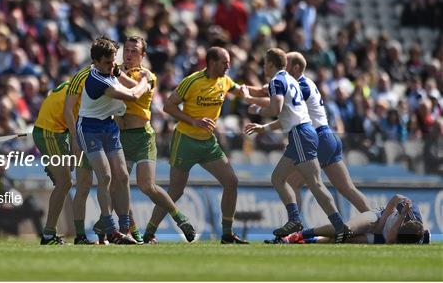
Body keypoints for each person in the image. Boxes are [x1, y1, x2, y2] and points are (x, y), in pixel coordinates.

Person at [143, 46, 249, 244]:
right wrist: (193, 120)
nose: (229, 66)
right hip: (185, 142)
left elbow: (242, 91)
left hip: (208, 143)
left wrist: (262, 92)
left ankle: (227, 234)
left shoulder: (225, 81)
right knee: (176, 190)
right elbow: (168, 106)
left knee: (231, 182)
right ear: (212, 63)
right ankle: (149, 233)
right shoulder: (192, 81)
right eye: (225, 62)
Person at [244, 48, 350, 243]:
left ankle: (339, 227)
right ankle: (295, 220)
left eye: (265, 63)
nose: (263, 67)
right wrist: (264, 128)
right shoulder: (292, 81)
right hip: (302, 133)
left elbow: (275, 108)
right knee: (278, 178)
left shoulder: (277, 81)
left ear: (271, 64)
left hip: (301, 135)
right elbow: (289, 115)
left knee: (315, 183)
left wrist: (257, 108)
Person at [98, 36, 195, 244]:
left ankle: (180, 218)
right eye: (127, 50)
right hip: (119, 136)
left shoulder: (147, 75)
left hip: (142, 137)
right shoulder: (113, 71)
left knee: (147, 186)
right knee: (118, 186)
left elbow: (136, 90)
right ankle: (134, 231)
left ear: (142, 56)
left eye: (134, 51)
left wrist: (116, 72)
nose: (129, 54)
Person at [75, 36, 150, 245]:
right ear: (96, 62)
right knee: (106, 177)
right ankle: (111, 229)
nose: (112, 66)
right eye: (107, 63)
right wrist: (145, 80)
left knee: (123, 176)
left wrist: (135, 80)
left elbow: (131, 85)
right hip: (89, 128)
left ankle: (124, 228)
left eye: (113, 61)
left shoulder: (109, 70)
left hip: (109, 126)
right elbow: (134, 95)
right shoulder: (98, 80)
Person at [33, 70, 95, 245]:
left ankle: (49, 233)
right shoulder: (84, 89)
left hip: (55, 131)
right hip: (50, 132)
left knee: (65, 183)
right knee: (65, 183)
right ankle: (48, 234)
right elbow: (71, 117)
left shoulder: (76, 83)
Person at [276, 194, 430, 244]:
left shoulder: (408, 237)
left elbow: (390, 239)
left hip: (380, 237)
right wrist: (383, 221)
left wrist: (399, 218)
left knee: (343, 240)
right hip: (377, 218)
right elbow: (396, 198)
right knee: (345, 230)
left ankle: (308, 241)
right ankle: (300, 235)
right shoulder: (412, 211)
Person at [0, 155, 44, 237]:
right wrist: (2, 204)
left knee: (32, 199)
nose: (1, 165)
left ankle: (41, 232)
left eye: (3, 163)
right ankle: (37, 212)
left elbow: (16, 196)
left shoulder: (10, 181)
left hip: (13, 211)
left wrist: (14, 203)